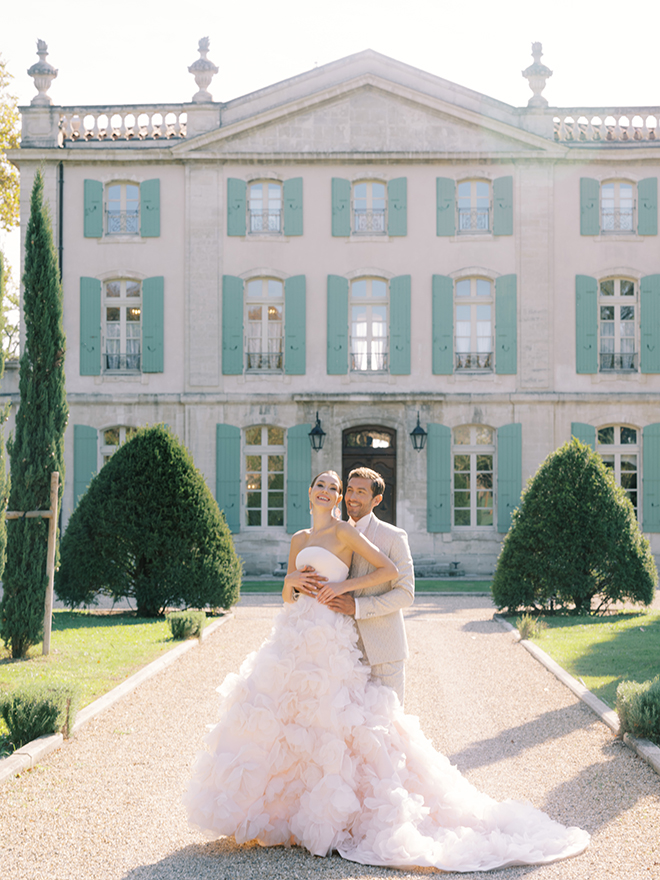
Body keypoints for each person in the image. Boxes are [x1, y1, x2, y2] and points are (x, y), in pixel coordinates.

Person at [183, 470, 589, 872]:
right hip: (296, 638)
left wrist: (345, 593)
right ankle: (297, 816)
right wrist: (290, 578)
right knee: (295, 726)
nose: (334, 492)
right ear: (309, 493)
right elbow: (289, 599)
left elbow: (399, 581)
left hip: (352, 644)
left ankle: (370, 817)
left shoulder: (362, 533)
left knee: (373, 735)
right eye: (326, 486)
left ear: (364, 498)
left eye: (341, 489)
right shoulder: (299, 539)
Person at [291, 466, 413, 704]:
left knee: (387, 723)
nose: (353, 497)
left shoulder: (394, 537)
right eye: (350, 490)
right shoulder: (332, 531)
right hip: (341, 651)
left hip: (382, 650)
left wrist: (356, 606)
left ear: (376, 499)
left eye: (361, 492)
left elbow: (406, 594)